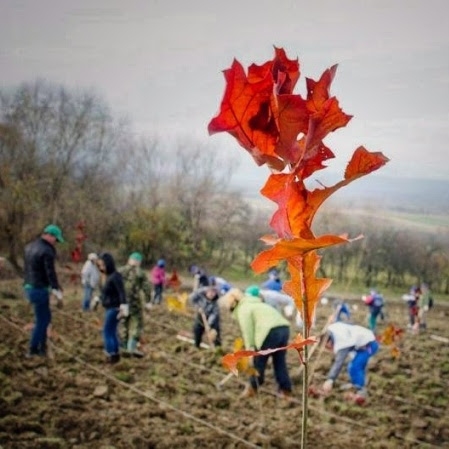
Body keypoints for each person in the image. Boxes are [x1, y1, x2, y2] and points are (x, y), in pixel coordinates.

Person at [222, 285, 293, 399]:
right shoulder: (257, 303)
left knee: (258, 361)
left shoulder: (243, 309)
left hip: (269, 332)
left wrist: (250, 348)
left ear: (233, 304)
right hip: (283, 328)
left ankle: (253, 387)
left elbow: (248, 330)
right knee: (279, 361)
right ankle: (285, 390)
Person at [23, 224, 64, 357]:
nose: (55, 243)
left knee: (43, 318)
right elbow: (49, 271)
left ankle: (41, 348)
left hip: (29, 287)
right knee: (43, 320)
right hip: (39, 288)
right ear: (49, 235)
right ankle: (34, 348)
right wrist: (55, 288)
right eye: (56, 239)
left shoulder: (29, 247)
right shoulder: (47, 250)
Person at [321, 321, 379, 404]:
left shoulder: (341, 342)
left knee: (355, 367)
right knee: (352, 366)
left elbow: (339, 362)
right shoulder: (332, 329)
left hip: (369, 345)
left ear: (329, 342)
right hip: (360, 343)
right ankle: (355, 384)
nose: (329, 349)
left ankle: (361, 390)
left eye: (328, 347)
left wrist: (330, 379)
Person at [118, 252, 152, 357]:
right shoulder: (140, 273)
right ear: (139, 262)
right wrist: (148, 301)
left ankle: (122, 346)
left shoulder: (120, 271)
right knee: (136, 324)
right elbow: (147, 288)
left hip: (121, 302)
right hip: (134, 303)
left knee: (123, 323)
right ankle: (131, 347)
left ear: (129, 260)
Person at [97, 252, 128, 364]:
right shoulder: (106, 277)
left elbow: (122, 292)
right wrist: (98, 298)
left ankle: (110, 353)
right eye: (99, 266)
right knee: (112, 331)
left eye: (103, 265)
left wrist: (124, 306)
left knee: (107, 332)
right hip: (109, 306)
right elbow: (105, 292)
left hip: (114, 308)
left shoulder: (115, 276)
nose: (101, 268)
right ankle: (115, 354)